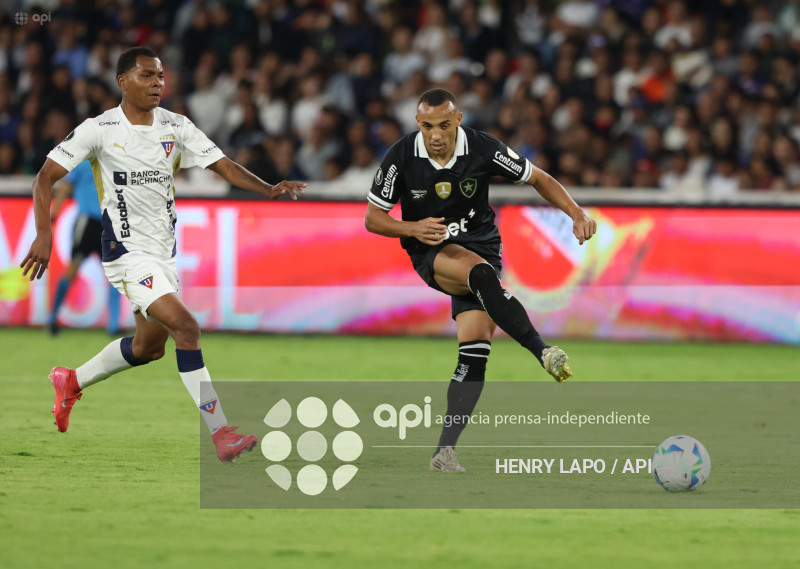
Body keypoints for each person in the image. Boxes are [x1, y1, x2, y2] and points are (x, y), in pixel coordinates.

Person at [21, 47, 306, 462]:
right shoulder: (98, 129)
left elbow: (222, 165)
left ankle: (71, 380)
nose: (158, 83)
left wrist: (268, 188)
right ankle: (222, 433)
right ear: (123, 81)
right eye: (147, 76)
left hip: (163, 256)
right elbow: (44, 178)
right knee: (186, 328)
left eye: (160, 76)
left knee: (148, 348)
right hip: (126, 255)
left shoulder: (177, 126)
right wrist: (43, 234)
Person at [364, 89, 596, 472]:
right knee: (480, 275)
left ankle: (444, 452)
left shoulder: (482, 148)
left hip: (482, 245)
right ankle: (543, 351)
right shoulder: (403, 155)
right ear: (417, 125)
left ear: (458, 120)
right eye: (426, 126)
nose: (434, 135)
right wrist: (412, 227)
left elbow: (538, 177)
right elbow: (374, 218)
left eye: (442, 125)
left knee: (474, 355)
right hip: (431, 247)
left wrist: (575, 213)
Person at [48, 159, 122, 336]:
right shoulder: (84, 163)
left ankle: (113, 325)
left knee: (114, 274)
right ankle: (52, 318)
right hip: (87, 222)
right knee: (74, 269)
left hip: (108, 223)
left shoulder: (115, 160)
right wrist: (54, 212)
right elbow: (66, 186)